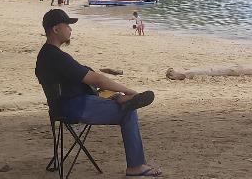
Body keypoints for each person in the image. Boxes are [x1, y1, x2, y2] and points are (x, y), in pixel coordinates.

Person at [36, 9, 162, 177]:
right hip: (73, 107)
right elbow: (96, 79)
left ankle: (119, 99)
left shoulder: (45, 55)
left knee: (112, 98)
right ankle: (136, 165)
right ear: (56, 29)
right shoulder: (57, 57)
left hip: (61, 107)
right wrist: (126, 89)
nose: (71, 29)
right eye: (67, 25)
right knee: (128, 113)